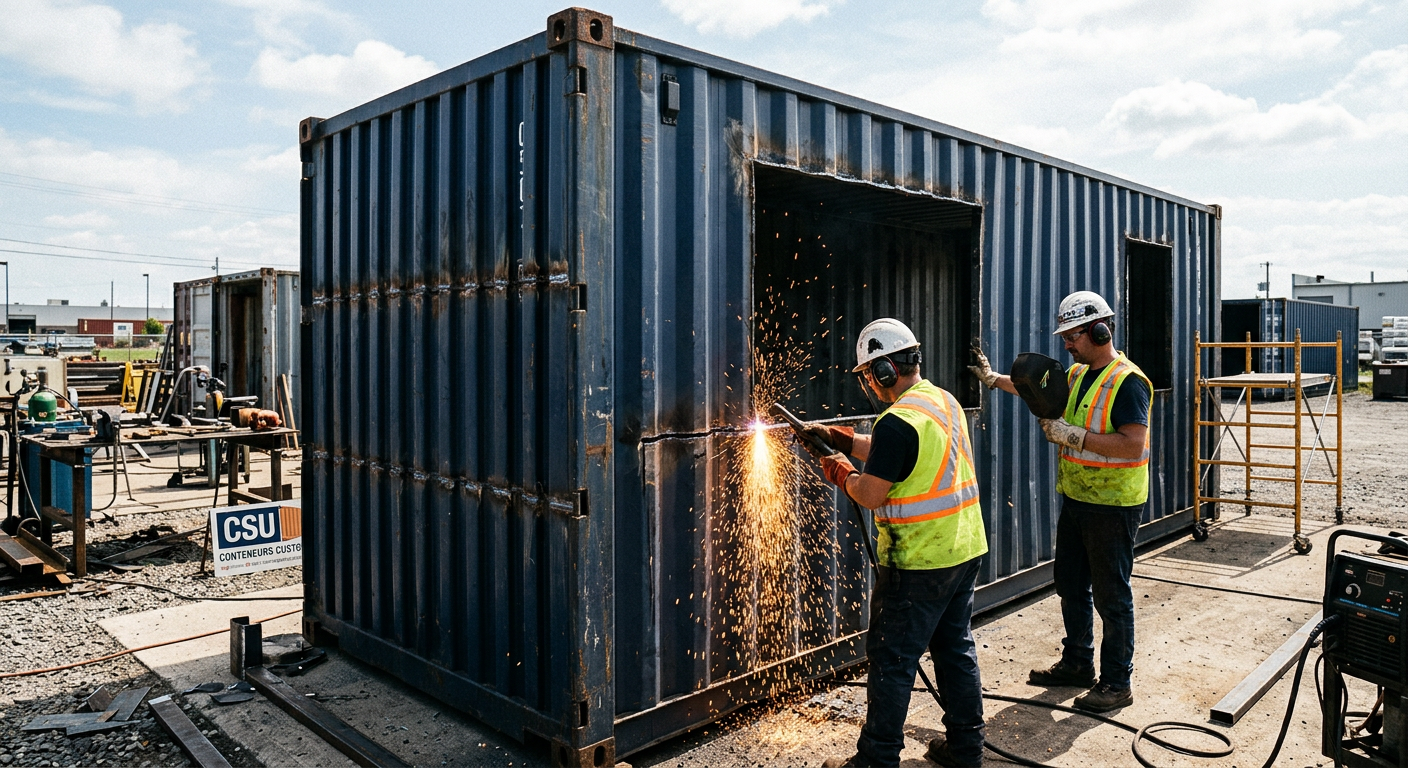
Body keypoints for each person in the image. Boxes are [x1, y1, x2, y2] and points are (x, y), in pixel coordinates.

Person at [809, 318, 988, 768]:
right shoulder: (939, 401)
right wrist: (844, 439)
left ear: (885, 370)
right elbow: (897, 451)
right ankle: (967, 749)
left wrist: (837, 468)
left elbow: (871, 493)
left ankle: (876, 758)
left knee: (892, 659)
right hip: (963, 549)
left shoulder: (899, 419)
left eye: (869, 375)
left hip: (919, 560)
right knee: (954, 648)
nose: (869, 384)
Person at [968, 290, 1151, 713]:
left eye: (1072, 337)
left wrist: (1075, 436)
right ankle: (1077, 664)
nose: (1066, 344)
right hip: (1078, 497)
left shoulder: (1128, 382)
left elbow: (1133, 447)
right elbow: (1036, 388)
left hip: (1113, 504)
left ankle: (1116, 683)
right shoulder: (1078, 373)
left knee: (1111, 595)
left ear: (1099, 330)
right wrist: (994, 378)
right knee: (1070, 584)